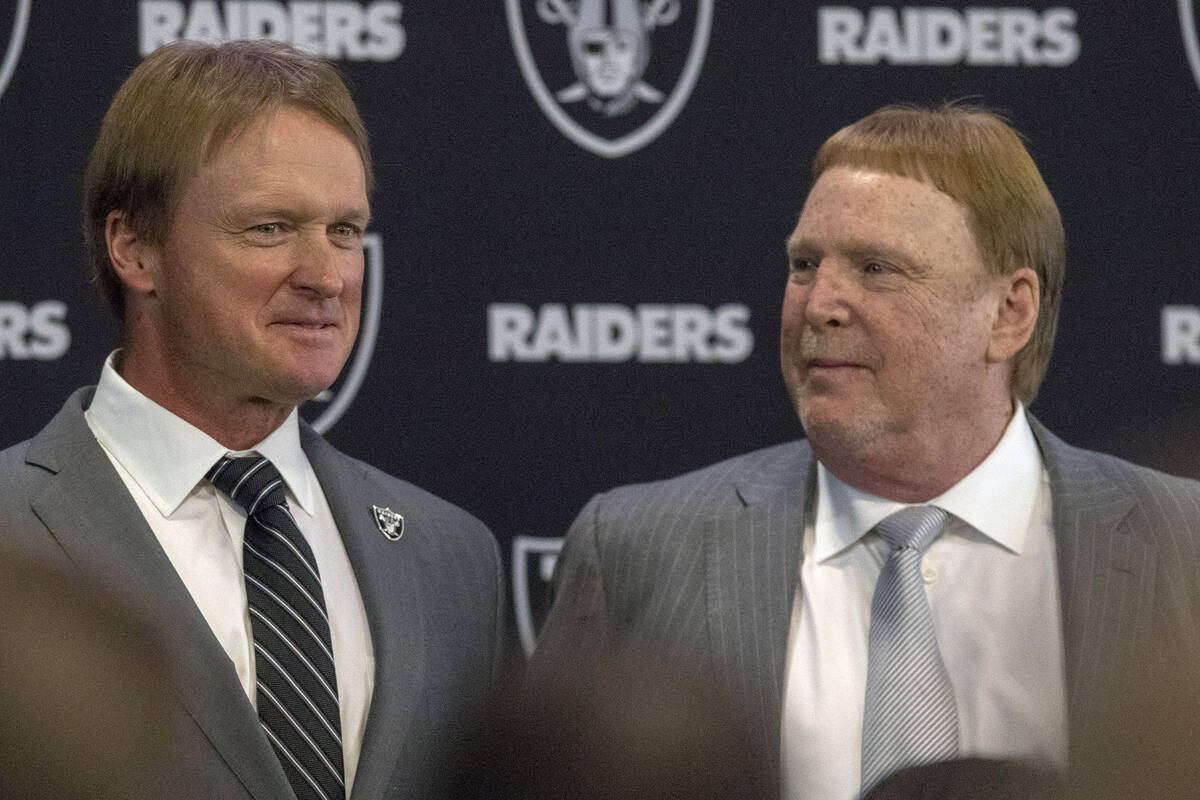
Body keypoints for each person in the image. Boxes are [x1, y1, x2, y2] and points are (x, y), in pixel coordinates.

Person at [530, 104, 1200, 800]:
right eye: (804, 264)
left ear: (1010, 313)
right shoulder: (639, 550)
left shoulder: (1184, 547)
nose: (819, 303)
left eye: (876, 268)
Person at [0, 40, 503, 800]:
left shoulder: (450, 556)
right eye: (270, 228)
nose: (326, 276)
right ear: (134, 248)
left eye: (344, 230)